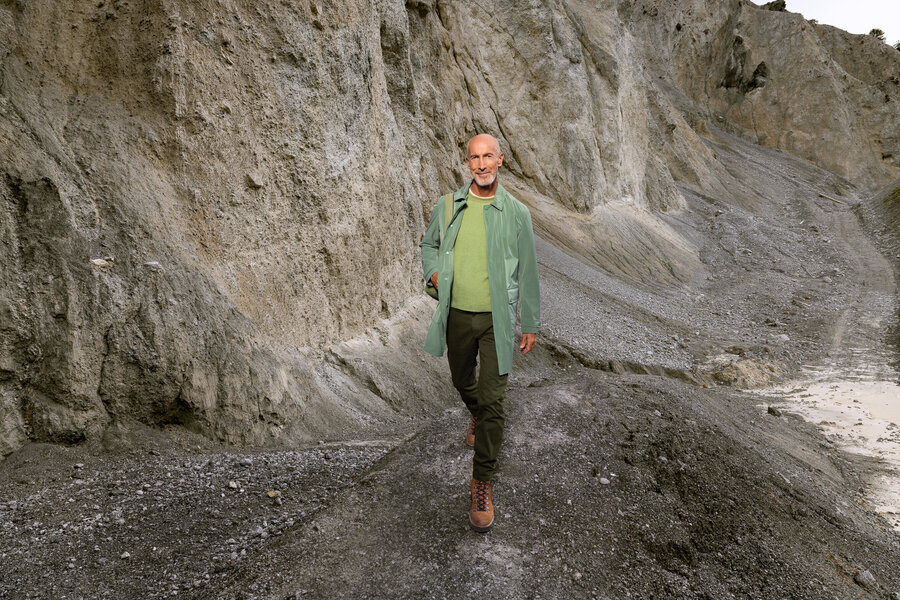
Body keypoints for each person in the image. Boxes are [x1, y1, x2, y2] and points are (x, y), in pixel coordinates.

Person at [419, 133, 541, 532]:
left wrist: (531, 322)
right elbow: (428, 245)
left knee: (493, 400)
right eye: (475, 157)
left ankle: (482, 481)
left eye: (489, 156)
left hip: (497, 320)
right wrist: (433, 273)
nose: (482, 164)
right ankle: (476, 412)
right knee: (460, 379)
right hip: (456, 314)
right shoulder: (448, 205)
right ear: (467, 162)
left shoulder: (516, 213)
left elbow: (528, 270)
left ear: (500, 160)